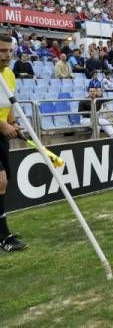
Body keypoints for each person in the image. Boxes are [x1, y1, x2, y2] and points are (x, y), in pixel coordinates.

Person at [0, 35, 27, 251]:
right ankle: (4, 237)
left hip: (1, 137)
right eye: (1, 50)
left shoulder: (9, 74)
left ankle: (2, 231)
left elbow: (8, 107)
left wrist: (13, 124)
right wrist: (3, 126)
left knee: (2, 183)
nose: (6, 55)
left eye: (9, 51)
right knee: (0, 181)